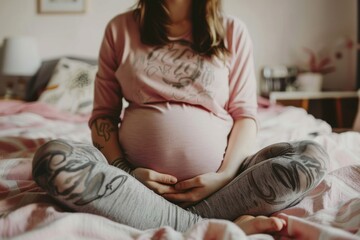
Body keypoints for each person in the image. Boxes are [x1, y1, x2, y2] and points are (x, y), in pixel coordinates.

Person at [32, 0, 329, 235]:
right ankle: (212, 224)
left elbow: (245, 115)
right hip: (132, 186)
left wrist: (223, 176)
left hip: (226, 187)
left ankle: (170, 221)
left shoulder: (232, 31)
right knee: (52, 159)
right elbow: (103, 117)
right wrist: (126, 172)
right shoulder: (120, 29)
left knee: (312, 157)